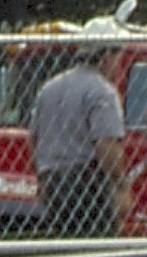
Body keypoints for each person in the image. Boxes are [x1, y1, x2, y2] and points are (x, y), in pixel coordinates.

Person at [29, 52, 127, 238]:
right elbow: (106, 144)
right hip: (87, 182)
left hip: (52, 180)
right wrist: (120, 185)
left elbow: (33, 138)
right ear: (107, 57)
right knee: (97, 244)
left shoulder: (49, 88)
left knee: (63, 242)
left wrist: (41, 176)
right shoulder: (102, 91)